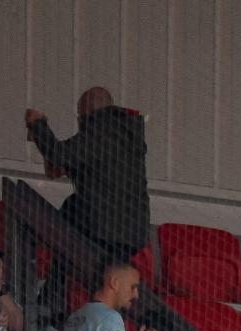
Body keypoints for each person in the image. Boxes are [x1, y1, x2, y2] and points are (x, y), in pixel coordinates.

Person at [25, 88, 150, 260]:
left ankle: (34, 259)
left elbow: (58, 154)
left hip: (104, 228)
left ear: (88, 111)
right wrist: (41, 133)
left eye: (80, 115)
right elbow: (54, 170)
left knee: (66, 215)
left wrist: (38, 125)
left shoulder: (103, 130)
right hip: (130, 233)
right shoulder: (121, 135)